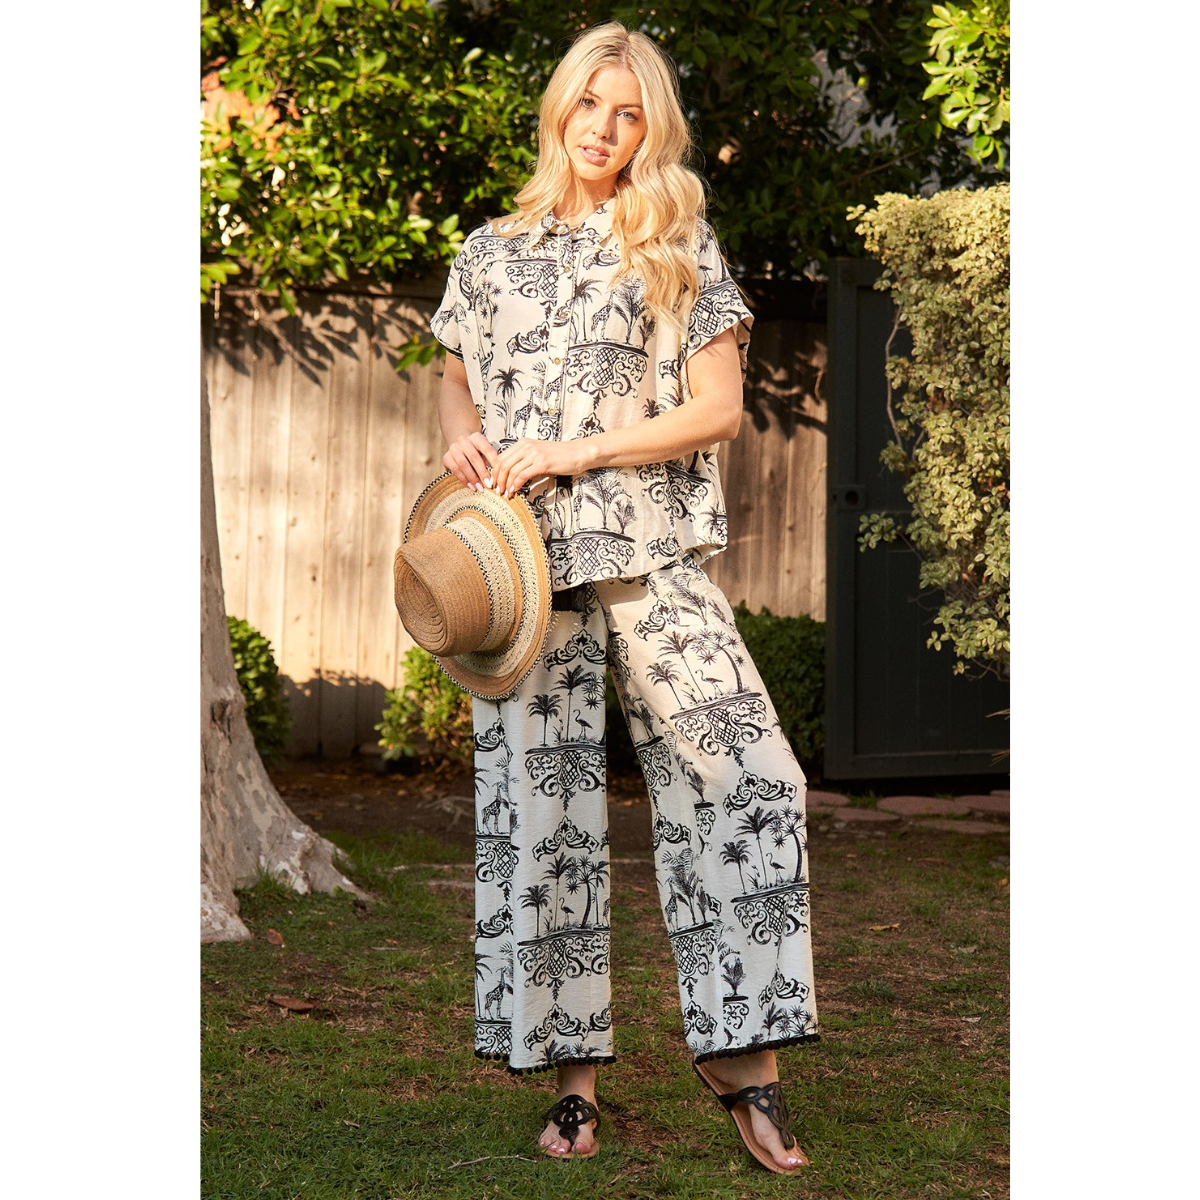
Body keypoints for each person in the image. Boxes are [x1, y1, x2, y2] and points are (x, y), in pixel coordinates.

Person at [427, 20, 818, 1174]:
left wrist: (577, 452)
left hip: (651, 555)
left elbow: (715, 409)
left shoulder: (673, 237)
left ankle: (745, 1066)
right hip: (521, 579)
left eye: (630, 111)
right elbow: (454, 378)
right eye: (589, 104)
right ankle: (575, 1089)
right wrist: (464, 445)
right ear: (559, 108)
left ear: (653, 128)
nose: (604, 127)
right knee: (545, 826)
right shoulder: (489, 251)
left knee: (753, 781)